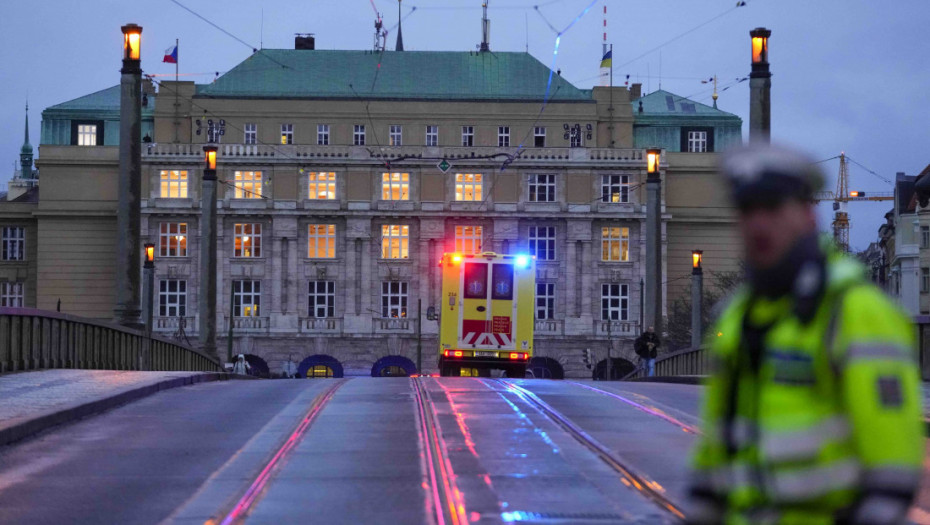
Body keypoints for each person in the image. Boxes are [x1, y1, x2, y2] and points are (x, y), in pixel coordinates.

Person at [687, 143, 923, 525]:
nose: (759, 224)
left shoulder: (857, 312)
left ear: (807, 215)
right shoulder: (736, 317)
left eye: (774, 207)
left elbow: (892, 469)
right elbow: (716, 450)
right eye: (748, 209)